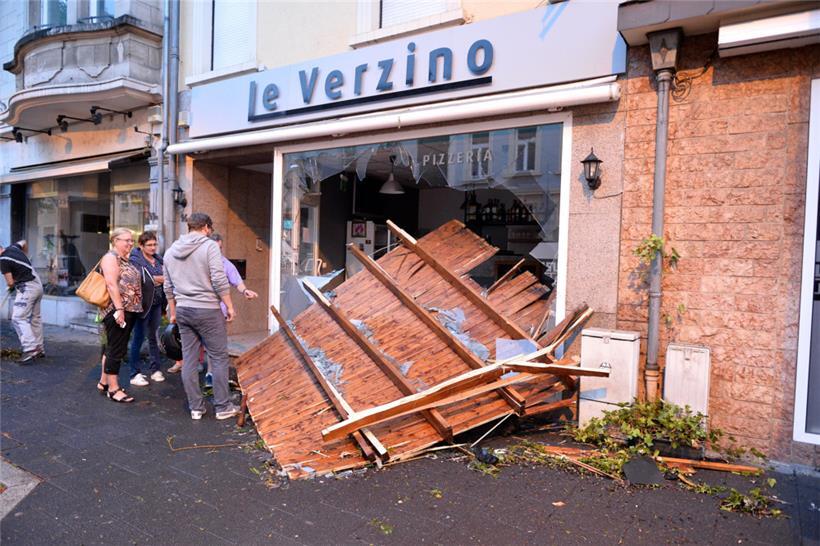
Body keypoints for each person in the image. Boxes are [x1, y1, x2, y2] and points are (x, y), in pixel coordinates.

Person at [163, 213, 239, 420]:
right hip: (207, 309)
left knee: (189, 359)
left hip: (184, 310)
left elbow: (168, 287)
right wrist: (229, 306)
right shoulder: (209, 246)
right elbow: (219, 279)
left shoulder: (170, 252)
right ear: (206, 227)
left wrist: (173, 312)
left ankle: (196, 407)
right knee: (219, 357)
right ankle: (223, 407)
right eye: (210, 230)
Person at [97, 228, 142, 403]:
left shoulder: (125, 259)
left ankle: (104, 382)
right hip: (116, 310)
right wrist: (119, 310)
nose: (130, 243)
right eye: (126, 240)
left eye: (132, 241)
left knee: (114, 347)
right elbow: (111, 284)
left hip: (127, 310)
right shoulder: (110, 258)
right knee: (116, 349)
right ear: (115, 240)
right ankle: (113, 389)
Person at [127, 231, 166, 386]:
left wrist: (156, 279)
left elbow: (165, 278)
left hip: (156, 303)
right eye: (149, 245)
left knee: (153, 336)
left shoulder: (158, 259)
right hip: (142, 305)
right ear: (141, 246)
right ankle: (134, 372)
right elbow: (142, 279)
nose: (152, 248)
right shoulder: (135, 260)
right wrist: (158, 279)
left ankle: (155, 369)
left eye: (155, 244)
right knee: (138, 337)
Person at [0, 240, 44, 363]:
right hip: (37, 284)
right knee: (35, 318)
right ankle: (39, 348)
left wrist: (11, 285)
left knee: (18, 317)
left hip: (27, 288)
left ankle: (31, 348)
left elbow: (10, 282)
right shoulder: (13, 248)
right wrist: (25, 258)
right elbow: (24, 242)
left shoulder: (3, 260)